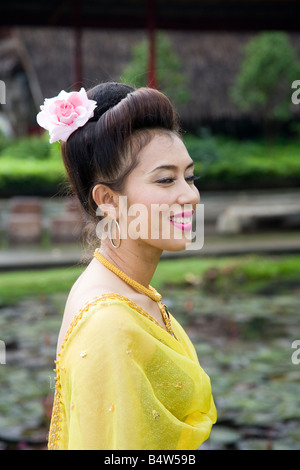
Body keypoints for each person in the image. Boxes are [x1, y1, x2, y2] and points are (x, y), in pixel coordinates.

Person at [37, 82, 216, 450]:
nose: (190, 195)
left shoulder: (133, 289)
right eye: (166, 180)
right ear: (108, 200)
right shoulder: (107, 323)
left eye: (189, 176)